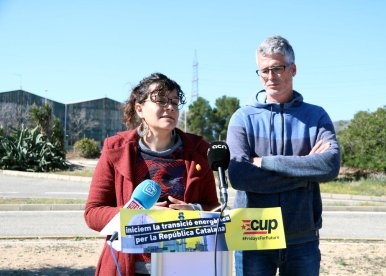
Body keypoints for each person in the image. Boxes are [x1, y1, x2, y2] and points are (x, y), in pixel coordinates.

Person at [84, 72, 219, 276]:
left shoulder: (199, 151)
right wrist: (136, 216)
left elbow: (214, 207)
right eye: (161, 100)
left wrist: (193, 210)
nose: (171, 107)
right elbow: (93, 213)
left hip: (185, 267)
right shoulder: (115, 149)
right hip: (131, 267)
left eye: (174, 101)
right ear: (140, 109)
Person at [227, 35, 341, 276]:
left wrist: (266, 163)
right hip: (253, 236)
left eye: (277, 68)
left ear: (293, 69)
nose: (270, 76)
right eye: (264, 70)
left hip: (302, 238)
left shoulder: (316, 116)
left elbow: (329, 165)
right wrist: (306, 173)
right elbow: (239, 176)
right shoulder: (242, 118)